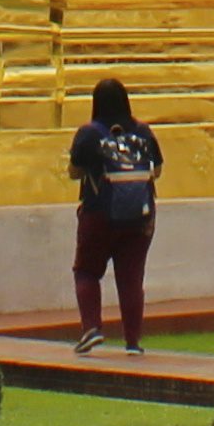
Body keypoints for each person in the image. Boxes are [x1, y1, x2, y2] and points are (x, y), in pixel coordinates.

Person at [69, 76, 163, 352]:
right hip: (140, 217)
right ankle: (133, 342)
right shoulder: (143, 131)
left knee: (86, 271)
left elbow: (75, 171)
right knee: (131, 279)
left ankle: (91, 328)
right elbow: (156, 170)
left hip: (99, 214)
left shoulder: (89, 133)